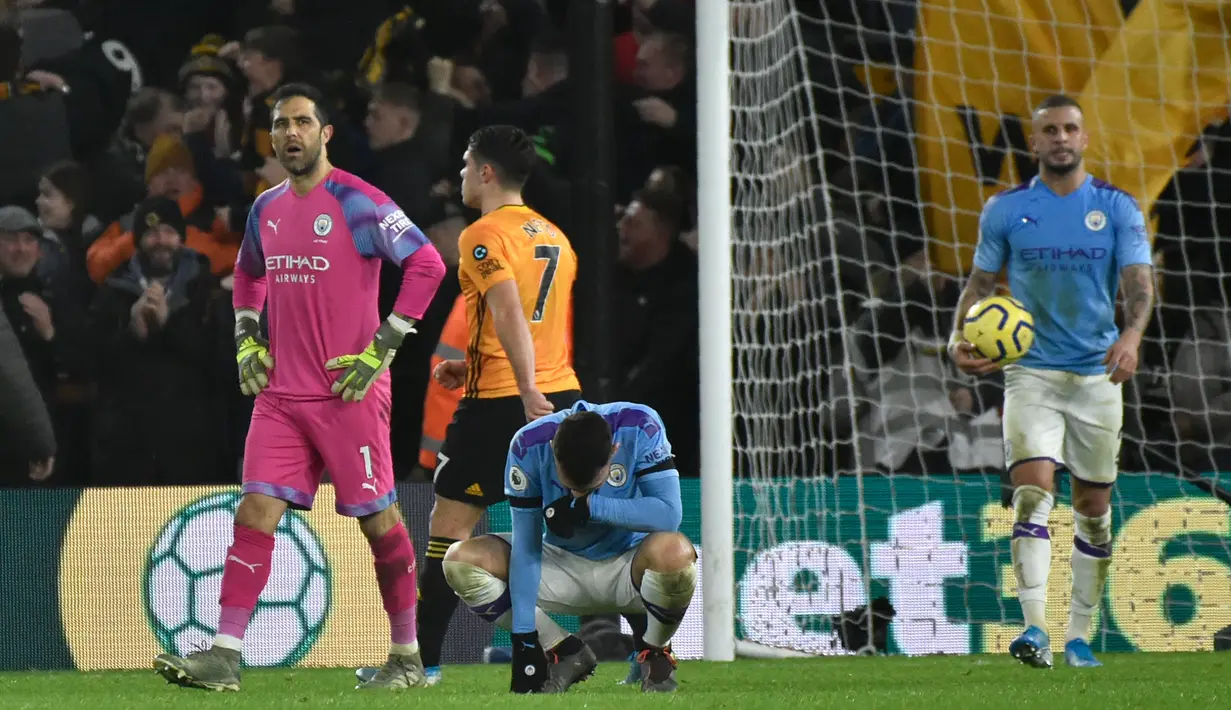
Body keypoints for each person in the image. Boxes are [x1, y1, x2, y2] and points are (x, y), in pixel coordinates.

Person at [152, 82, 446, 691]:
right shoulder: (266, 208)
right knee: (254, 512)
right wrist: (246, 339)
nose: (291, 134)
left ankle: (408, 656)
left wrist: (383, 347)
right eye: (281, 124)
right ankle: (224, 656)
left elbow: (427, 265)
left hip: (350, 395)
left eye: (303, 123)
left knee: (379, 522)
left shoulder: (360, 203)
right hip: (282, 397)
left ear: (325, 133)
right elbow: (247, 276)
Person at [948, 94, 1154, 669]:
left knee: (1092, 509)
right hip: (1030, 372)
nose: (1061, 138)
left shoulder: (1116, 207)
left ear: (1084, 138)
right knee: (1033, 493)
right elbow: (981, 282)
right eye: (1050, 130)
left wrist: (1131, 338)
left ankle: (1079, 636)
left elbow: (1139, 283)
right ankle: (1035, 629)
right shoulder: (1006, 209)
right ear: (1033, 143)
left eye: (1070, 128)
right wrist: (956, 341)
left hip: (1096, 376)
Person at [413, 125, 584, 686]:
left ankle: (422, 664)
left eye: (465, 166)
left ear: (486, 172)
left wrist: (521, 383)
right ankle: (602, 647)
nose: (461, 175)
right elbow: (545, 320)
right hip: (561, 395)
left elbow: (510, 309)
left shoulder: (482, 235)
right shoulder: (555, 236)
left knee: (449, 527)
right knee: (566, 531)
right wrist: (481, 367)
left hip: (506, 402)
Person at [443, 401, 695, 693]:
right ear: (552, 450)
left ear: (615, 452)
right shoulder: (528, 445)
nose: (577, 490)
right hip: (560, 564)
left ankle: (655, 651)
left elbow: (669, 514)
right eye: (570, 483)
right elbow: (526, 546)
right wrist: (524, 637)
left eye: (590, 484)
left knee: (676, 551)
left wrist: (590, 505)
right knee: (459, 561)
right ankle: (564, 650)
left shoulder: (639, 425)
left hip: (631, 565)